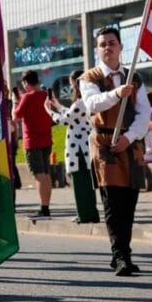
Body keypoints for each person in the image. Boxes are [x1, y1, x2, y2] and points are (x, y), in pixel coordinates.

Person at [80, 28, 150, 276]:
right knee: (113, 204)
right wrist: (117, 94)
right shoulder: (90, 77)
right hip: (105, 143)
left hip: (130, 145)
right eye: (102, 44)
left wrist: (129, 137)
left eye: (112, 43)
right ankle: (119, 256)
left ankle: (124, 253)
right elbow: (92, 103)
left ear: (120, 47)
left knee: (129, 204)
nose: (107, 47)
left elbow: (144, 114)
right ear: (97, 49)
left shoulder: (135, 78)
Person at [46, 69, 99, 224]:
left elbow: (65, 119)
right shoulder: (83, 102)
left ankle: (85, 214)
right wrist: (56, 105)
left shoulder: (81, 102)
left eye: (71, 85)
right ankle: (87, 213)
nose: (71, 88)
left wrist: (49, 111)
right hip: (81, 146)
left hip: (79, 148)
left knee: (81, 183)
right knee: (84, 183)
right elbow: (70, 114)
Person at [13, 70, 54, 219]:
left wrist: (15, 102)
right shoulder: (45, 94)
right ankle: (46, 205)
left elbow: (16, 116)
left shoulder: (27, 97)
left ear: (26, 83)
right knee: (46, 173)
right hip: (46, 139)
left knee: (39, 174)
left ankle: (44, 208)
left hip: (32, 141)